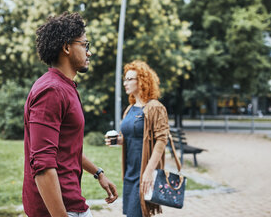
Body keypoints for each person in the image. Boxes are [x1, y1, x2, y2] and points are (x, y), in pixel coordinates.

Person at [23, 12, 118, 217]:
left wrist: (98, 172)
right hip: (60, 209)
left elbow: (66, 147)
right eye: (85, 45)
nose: (89, 52)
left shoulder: (64, 87)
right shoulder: (51, 91)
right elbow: (42, 164)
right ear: (66, 47)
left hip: (72, 203)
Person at [105, 60, 169, 217]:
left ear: (142, 81)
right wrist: (119, 140)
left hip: (143, 173)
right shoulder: (130, 109)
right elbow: (131, 137)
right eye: (124, 79)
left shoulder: (155, 107)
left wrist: (148, 171)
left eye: (129, 79)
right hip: (129, 173)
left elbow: (161, 141)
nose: (125, 83)